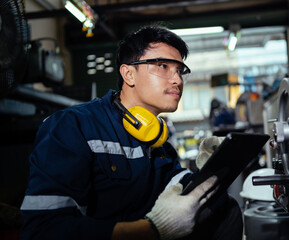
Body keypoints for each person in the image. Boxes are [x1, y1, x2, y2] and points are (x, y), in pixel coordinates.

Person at [20, 25, 243, 240]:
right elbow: (43, 229)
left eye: (179, 70)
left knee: (224, 207)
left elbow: (178, 194)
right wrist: (152, 230)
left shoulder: (158, 142)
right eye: (163, 66)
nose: (177, 80)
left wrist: (210, 168)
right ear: (129, 74)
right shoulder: (73, 127)